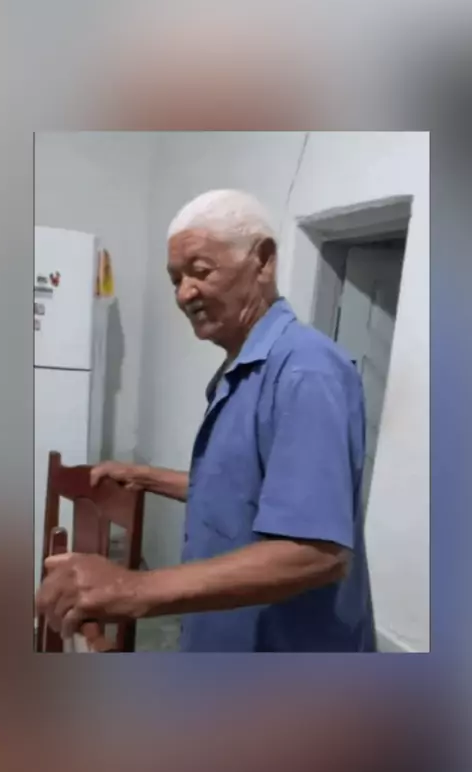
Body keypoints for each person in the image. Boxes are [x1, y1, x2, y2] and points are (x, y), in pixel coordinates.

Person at [37, 189, 376, 652]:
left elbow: (316, 553)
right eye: (175, 279)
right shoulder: (243, 367)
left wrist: (131, 588)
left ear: (263, 261)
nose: (184, 294)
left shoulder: (306, 370)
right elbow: (240, 493)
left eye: (200, 271)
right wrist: (145, 476)